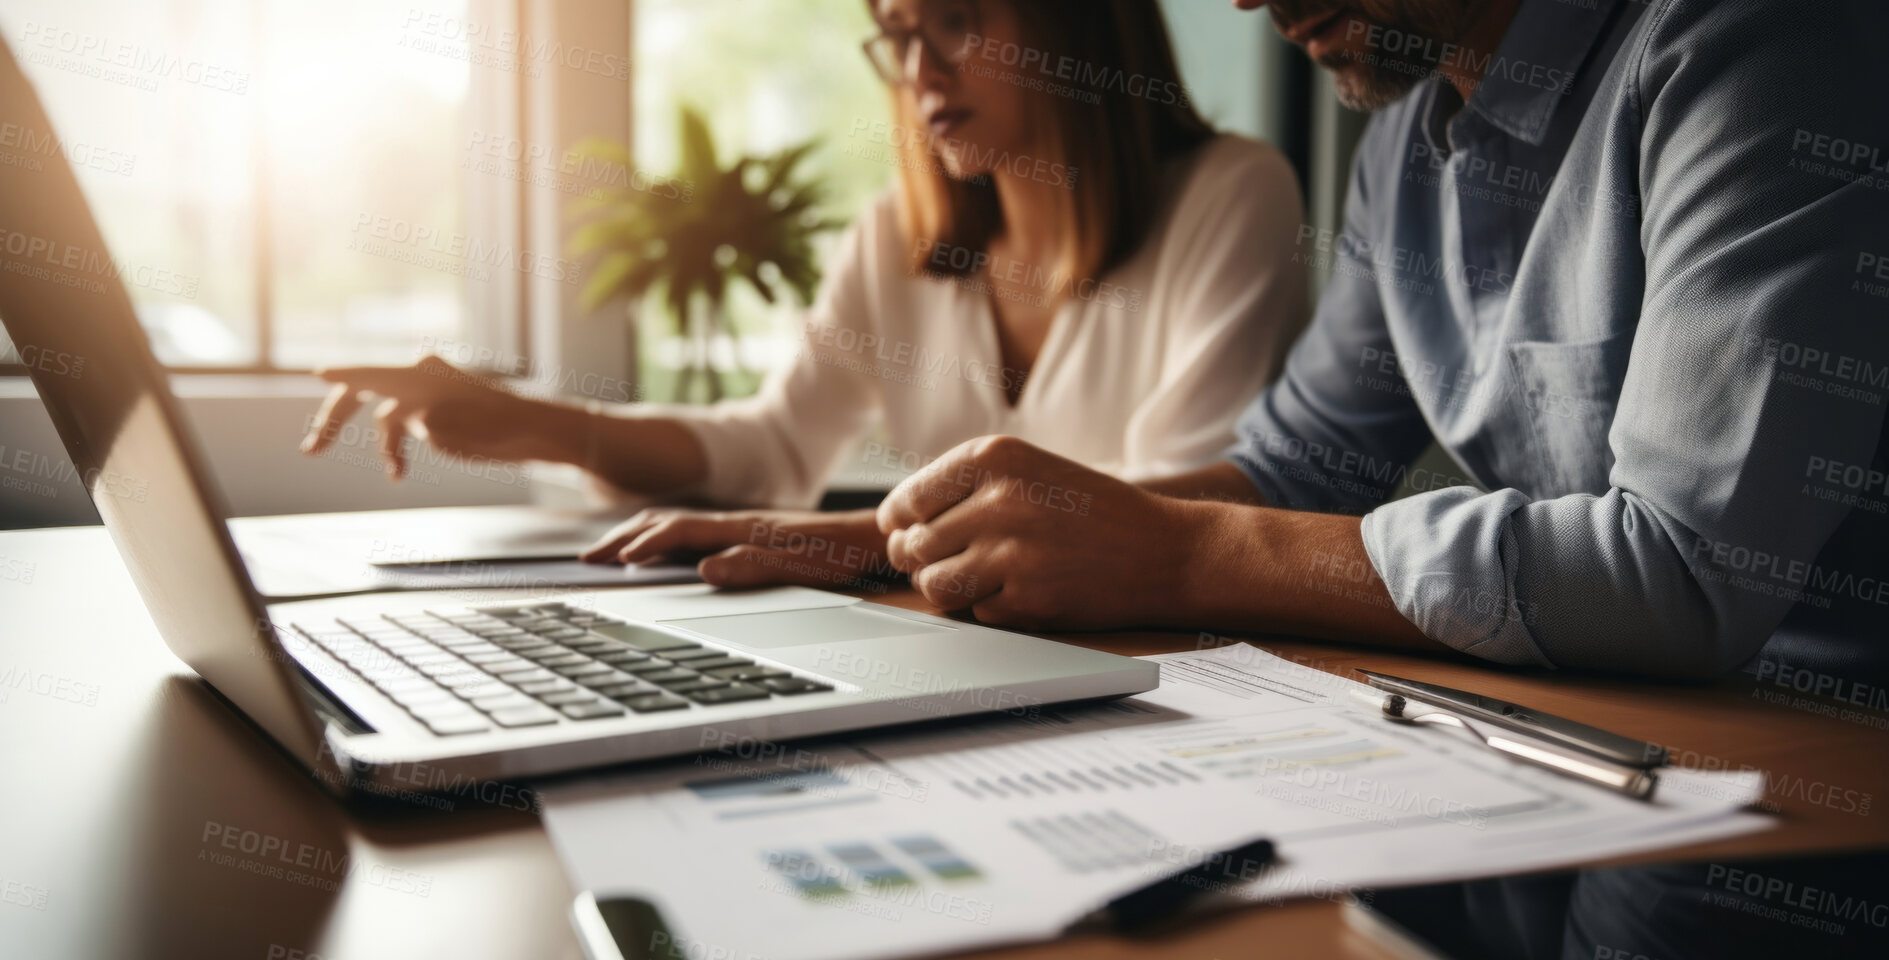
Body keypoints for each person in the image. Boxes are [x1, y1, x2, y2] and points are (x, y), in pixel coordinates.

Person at [875, 0, 1889, 683]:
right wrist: (950, 539)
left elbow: (1680, 574)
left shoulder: (1754, 46)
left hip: (1805, 771)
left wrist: (1179, 554)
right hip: (1576, 735)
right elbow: (1293, 468)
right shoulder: (1402, 153)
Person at [300, 0, 1308, 592]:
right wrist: (542, 425)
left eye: (954, 20)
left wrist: (830, 543)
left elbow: (1165, 509)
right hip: (963, 645)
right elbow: (774, 446)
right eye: (895, 31)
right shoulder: (894, 237)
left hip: (1164, 673)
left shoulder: (1230, 192)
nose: (919, 71)